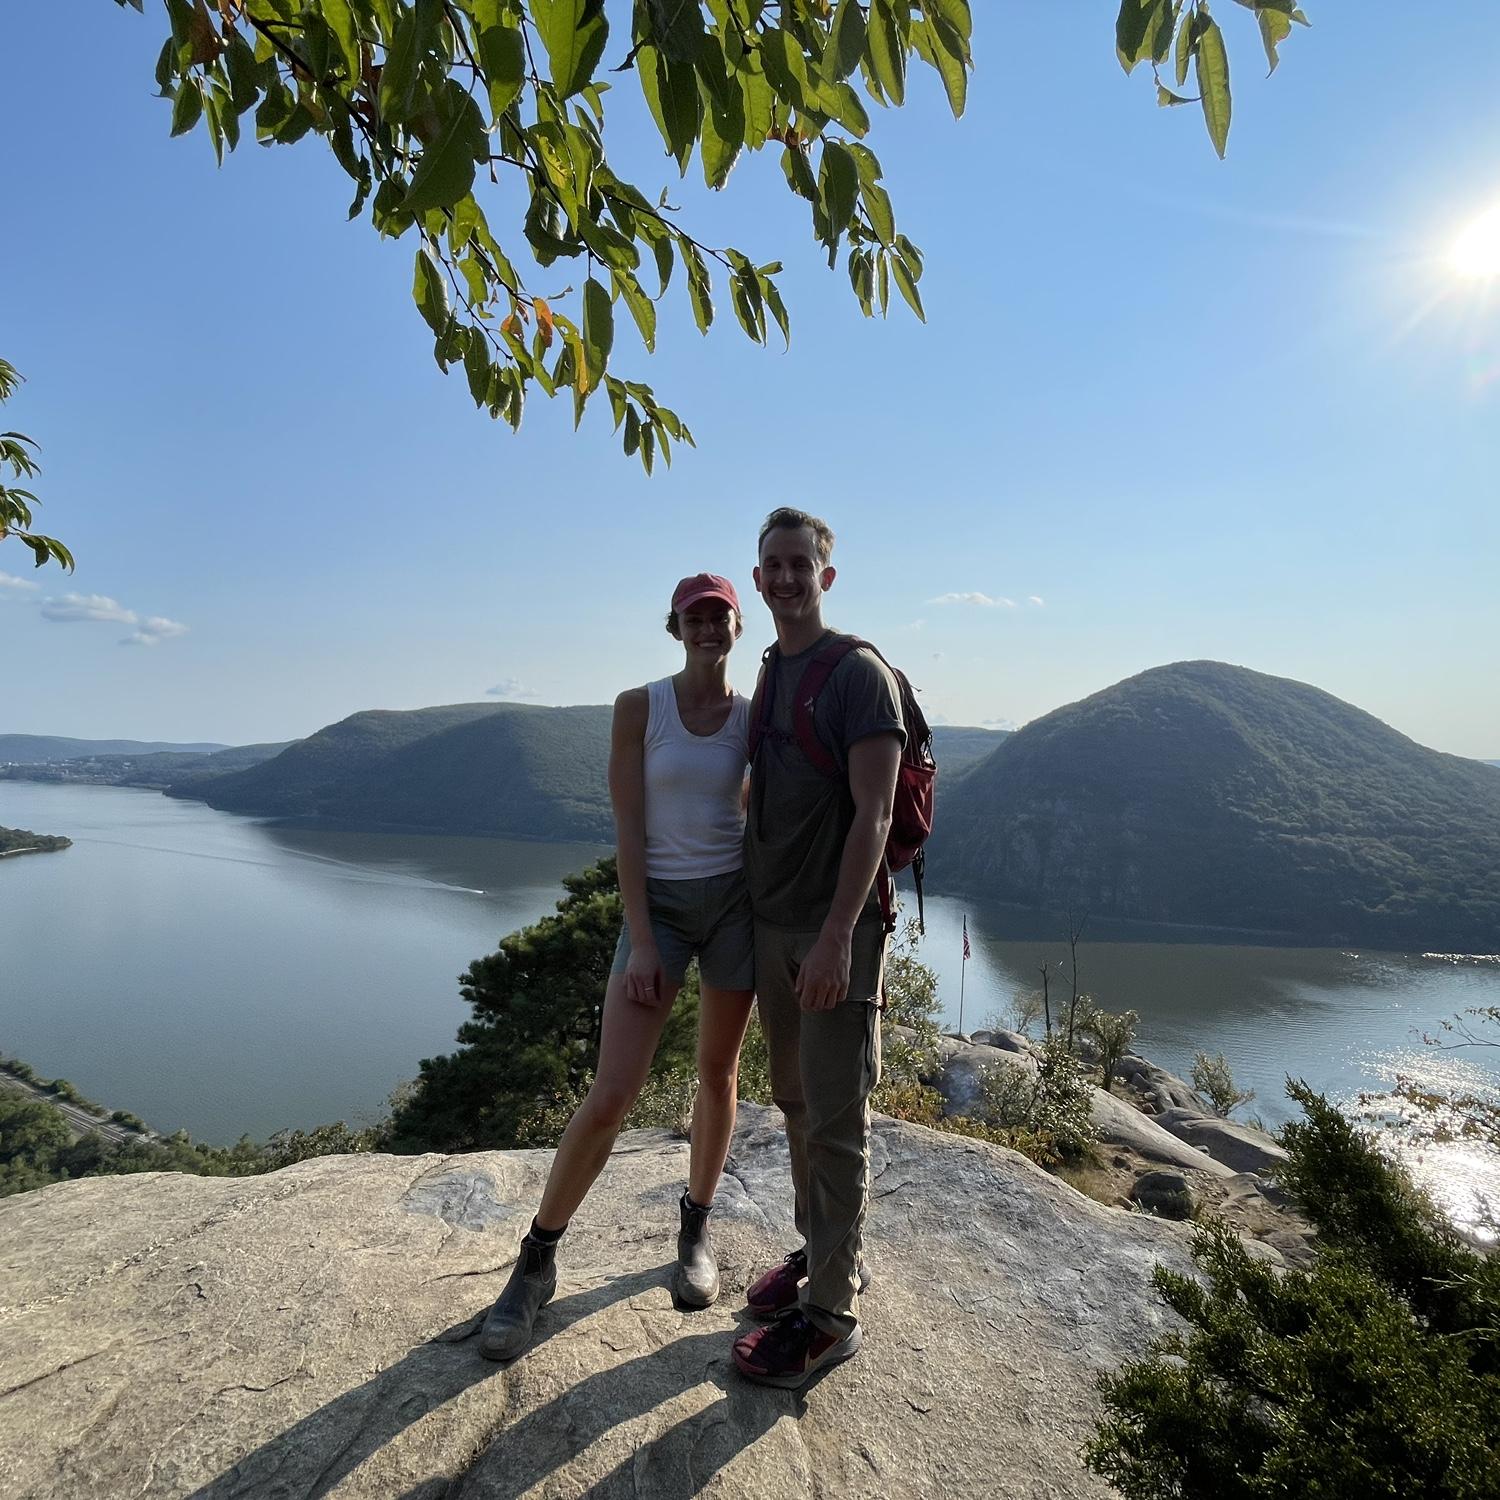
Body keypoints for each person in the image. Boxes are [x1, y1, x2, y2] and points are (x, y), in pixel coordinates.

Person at [479, 574, 757, 1361]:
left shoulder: (753, 713)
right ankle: (536, 1261)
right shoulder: (640, 706)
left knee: (719, 1074)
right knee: (612, 1093)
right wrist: (640, 938)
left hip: (734, 905)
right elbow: (629, 828)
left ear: (737, 626)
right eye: (695, 618)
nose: (708, 628)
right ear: (675, 628)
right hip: (660, 910)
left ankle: (695, 1229)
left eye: (720, 616)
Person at [731, 508, 905, 1389]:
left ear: (825, 577)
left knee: (836, 1118)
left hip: (835, 930)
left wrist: (839, 936)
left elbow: (873, 812)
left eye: (803, 564)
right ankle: (823, 1251)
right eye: (775, 565)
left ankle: (832, 1317)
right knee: (794, 1097)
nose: (788, 577)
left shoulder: (856, 676)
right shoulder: (770, 668)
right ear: (757, 579)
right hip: (773, 926)